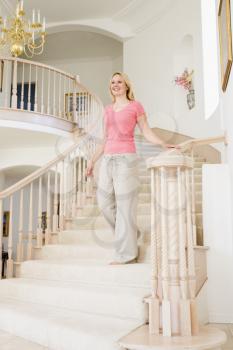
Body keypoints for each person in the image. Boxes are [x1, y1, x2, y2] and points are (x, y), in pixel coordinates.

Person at [86, 72, 177, 265]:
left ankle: (126, 255)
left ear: (127, 86)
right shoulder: (108, 110)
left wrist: (162, 143)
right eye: (112, 82)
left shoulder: (136, 106)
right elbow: (104, 139)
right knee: (104, 204)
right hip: (108, 159)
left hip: (126, 159)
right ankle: (131, 234)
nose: (115, 85)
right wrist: (92, 161)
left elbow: (146, 131)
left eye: (119, 82)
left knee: (125, 207)